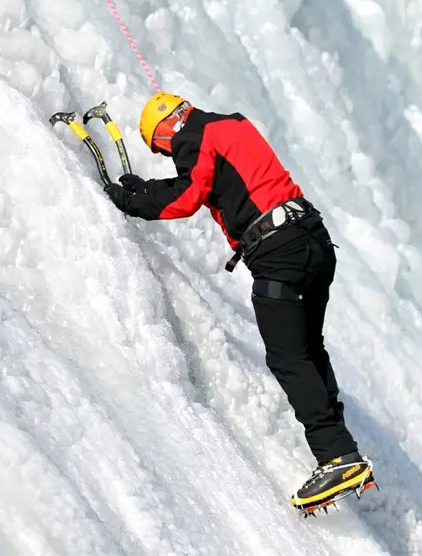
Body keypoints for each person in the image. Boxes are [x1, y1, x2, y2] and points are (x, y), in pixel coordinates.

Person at [103, 92, 375, 509]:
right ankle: (341, 446)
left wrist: (132, 200)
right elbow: (206, 178)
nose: (169, 153)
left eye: (162, 148)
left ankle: (337, 456)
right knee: (307, 348)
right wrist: (149, 188)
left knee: (287, 356)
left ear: (163, 131)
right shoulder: (231, 124)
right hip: (313, 240)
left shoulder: (192, 136)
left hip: (278, 251)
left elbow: (185, 196)